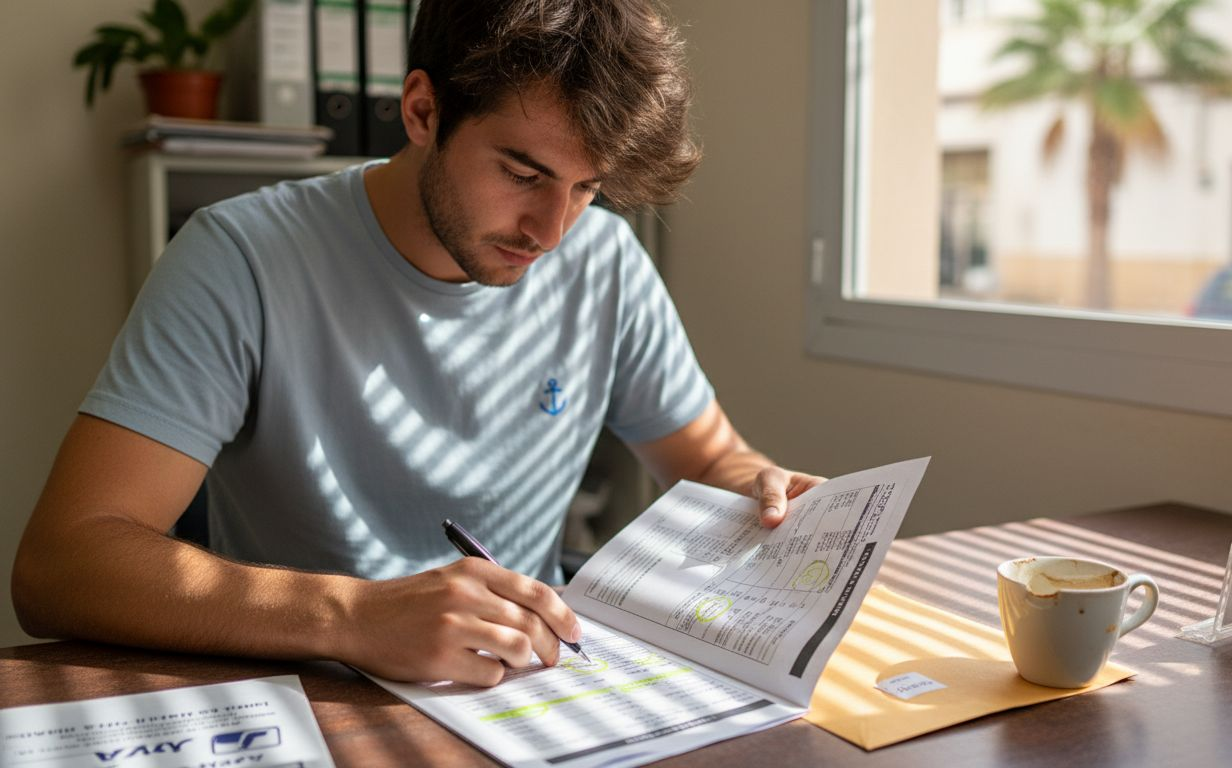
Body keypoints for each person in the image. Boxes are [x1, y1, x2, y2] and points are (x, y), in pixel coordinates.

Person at [12, 0, 821, 687]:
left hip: (528, 694)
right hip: (314, 699)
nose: (551, 232)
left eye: (587, 187)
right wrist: (352, 615)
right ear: (422, 110)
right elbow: (60, 565)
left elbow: (712, 463)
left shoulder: (604, 262)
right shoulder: (243, 258)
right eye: (523, 172)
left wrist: (763, 488)